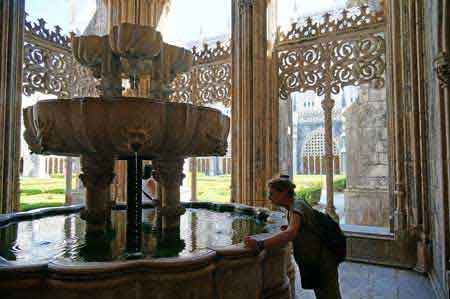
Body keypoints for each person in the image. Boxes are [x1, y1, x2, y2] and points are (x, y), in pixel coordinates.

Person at [244, 175, 342, 299]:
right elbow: (300, 228)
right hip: (318, 259)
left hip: (323, 260)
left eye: (272, 194)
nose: (269, 198)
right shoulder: (294, 205)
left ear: (284, 193)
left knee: (329, 295)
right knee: (323, 294)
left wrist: (260, 244)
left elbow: (291, 233)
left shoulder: (296, 206)